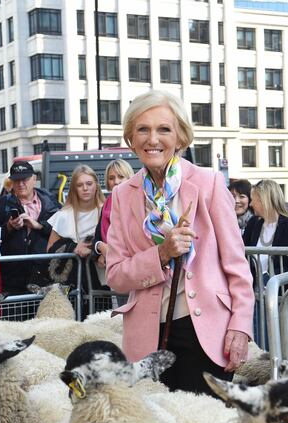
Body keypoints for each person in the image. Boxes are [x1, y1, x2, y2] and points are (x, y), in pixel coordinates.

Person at [106, 90, 254, 395]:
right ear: (131, 138)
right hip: (147, 337)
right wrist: (161, 253)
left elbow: (236, 265)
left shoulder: (208, 183)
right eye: (143, 129)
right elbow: (116, 275)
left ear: (180, 137)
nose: (153, 139)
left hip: (206, 333)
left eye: (164, 129)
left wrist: (241, 325)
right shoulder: (123, 195)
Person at [0, 160, 59, 292]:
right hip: (13, 276)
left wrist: (39, 226)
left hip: (45, 273)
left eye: (24, 179)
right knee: (17, 310)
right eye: (16, 180)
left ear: (34, 179)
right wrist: (9, 227)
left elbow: (62, 231)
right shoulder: (2, 204)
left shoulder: (50, 200)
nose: (21, 184)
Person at [46, 165, 105, 285]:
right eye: (79, 185)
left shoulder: (107, 211)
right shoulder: (63, 215)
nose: (85, 188)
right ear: (74, 188)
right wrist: (73, 247)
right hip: (73, 280)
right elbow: (50, 248)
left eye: (89, 183)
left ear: (96, 185)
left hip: (104, 278)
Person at [243, 179, 288, 279]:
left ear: (264, 200)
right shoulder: (253, 223)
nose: (250, 204)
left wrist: (273, 277)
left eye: (253, 200)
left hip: (283, 291)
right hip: (255, 291)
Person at [92, 159, 135, 271]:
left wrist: (111, 251)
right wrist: (101, 248)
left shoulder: (138, 202)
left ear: (130, 178)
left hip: (133, 265)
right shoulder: (106, 204)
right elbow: (96, 239)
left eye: (121, 176)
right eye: (111, 178)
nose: (116, 181)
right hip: (113, 267)